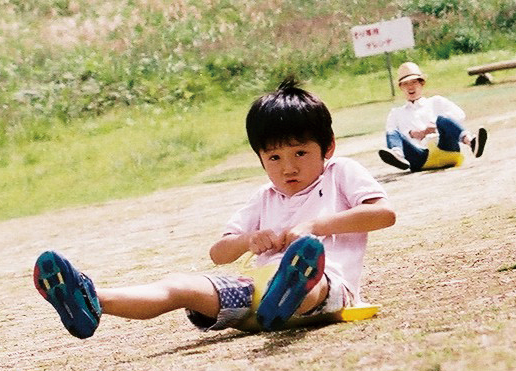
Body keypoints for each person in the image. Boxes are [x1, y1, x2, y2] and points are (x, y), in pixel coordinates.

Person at [34, 78, 396, 338]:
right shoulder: (264, 197)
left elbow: (383, 213)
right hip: (254, 301)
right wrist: (248, 240)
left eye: (300, 153)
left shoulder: (340, 173)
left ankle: (292, 287)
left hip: (328, 294)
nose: (288, 167)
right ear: (260, 157)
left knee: (308, 275)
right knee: (180, 287)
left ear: (327, 147)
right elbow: (219, 252)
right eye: (274, 157)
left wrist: (315, 226)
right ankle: (91, 300)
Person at [379, 60, 487, 171]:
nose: (410, 87)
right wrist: (410, 134)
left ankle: (471, 142)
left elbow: (460, 114)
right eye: (405, 84)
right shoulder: (396, 113)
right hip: (420, 158)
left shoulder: (436, 101)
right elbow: (390, 132)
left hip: (446, 148)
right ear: (401, 87)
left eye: (414, 82)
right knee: (392, 132)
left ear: (422, 83)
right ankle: (398, 155)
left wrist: (435, 126)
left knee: (442, 119)